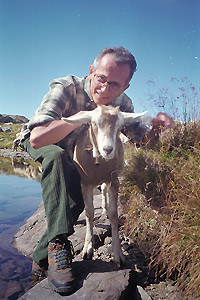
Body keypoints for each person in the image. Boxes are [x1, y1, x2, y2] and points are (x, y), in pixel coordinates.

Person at [19, 46, 172, 294]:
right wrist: (83, 116)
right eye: (101, 78)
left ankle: (40, 258)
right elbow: (37, 138)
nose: (105, 88)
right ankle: (57, 245)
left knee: (77, 196)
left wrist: (156, 128)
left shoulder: (122, 104)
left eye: (114, 84)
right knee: (58, 159)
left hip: (78, 155)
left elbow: (141, 141)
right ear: (91, 71)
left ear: (124, 87)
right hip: (48, 142)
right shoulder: (66, 87)